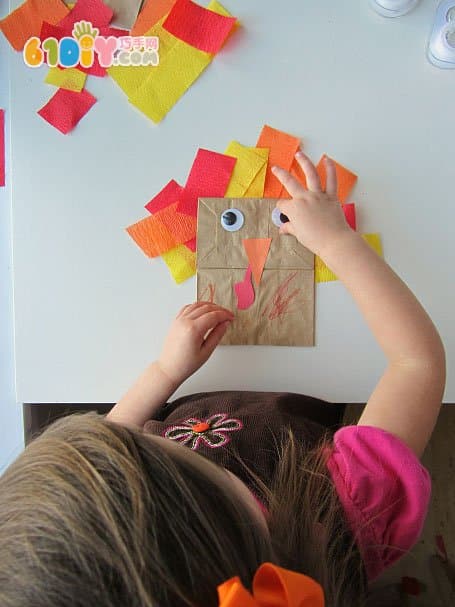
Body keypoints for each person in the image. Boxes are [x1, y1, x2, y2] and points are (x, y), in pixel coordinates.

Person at [0, 152, 445, 607]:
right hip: (309, 400)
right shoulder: (345, 515)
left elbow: (110, 437)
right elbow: (417, 362)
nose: (134, 435)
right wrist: (336, 241)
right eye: (155, 449)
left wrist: (165, 371)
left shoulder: (168, 528)